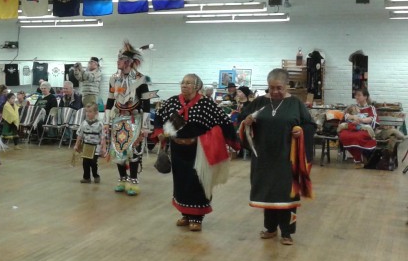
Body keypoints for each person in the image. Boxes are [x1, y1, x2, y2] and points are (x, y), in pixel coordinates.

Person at [240, 68, 315, 245]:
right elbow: (242, 121)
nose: (275, 91)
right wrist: (247, 122)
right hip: (263, 157)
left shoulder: (296, 104)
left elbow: (310, 126)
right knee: (268, 192)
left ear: (287, 85)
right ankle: (270, 228)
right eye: (271, 87)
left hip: (288, 157)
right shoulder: (258, 102)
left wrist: (300, 131)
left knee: (287, 194)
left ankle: (287, 232)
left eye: (279, 88)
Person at [154, 73, 238, 231]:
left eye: (189, 83)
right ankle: (185, 213)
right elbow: (159, 116)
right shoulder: (172, 102)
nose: (184, 85)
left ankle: (197, 217)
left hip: (198, 150)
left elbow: (224, 121)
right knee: (181, 182)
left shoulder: (206, 104)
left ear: (197, 87)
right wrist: (159, 132)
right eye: (183, 82)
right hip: (178, 150)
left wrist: (234, 142)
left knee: (198, 181)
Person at [105, 41, 152, 196]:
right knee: (118, 150)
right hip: (118, 119)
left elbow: (146, 104)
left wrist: (145, 126)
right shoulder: (114, 79)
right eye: (118, 58)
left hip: (135, 119)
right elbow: (110, 101)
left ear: (129, 62)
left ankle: (133, 181)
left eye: (120, 59)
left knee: (133, 151)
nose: (117, 61)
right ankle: (122, 179)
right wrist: (106, 122)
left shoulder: (141, 79)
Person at [338, 88, 377, 167]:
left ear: (365, 97)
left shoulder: (371, 108)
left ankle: (359, 159)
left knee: (358, 136)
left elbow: (372, 119)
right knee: (343, 135)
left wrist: (361, 120)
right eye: (356, 95)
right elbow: (345, 116)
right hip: (351, 127)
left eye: (359, 95)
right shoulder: (352, 107)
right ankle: (358, 158)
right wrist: (352, 117)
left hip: (363, 128)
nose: (356, 97)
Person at [75, 103, 106, 184]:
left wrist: (103, 148)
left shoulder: (100, 124)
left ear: (96, 113)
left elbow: (103, 137)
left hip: (95, 147)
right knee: (85, 162)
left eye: (90, 111)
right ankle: (86, 178)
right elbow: (80, 135)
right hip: (86, 146)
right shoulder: (84, 123)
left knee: (93, 162)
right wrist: (76, 144)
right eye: (87, 112)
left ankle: (96, 175)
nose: (88, 113)